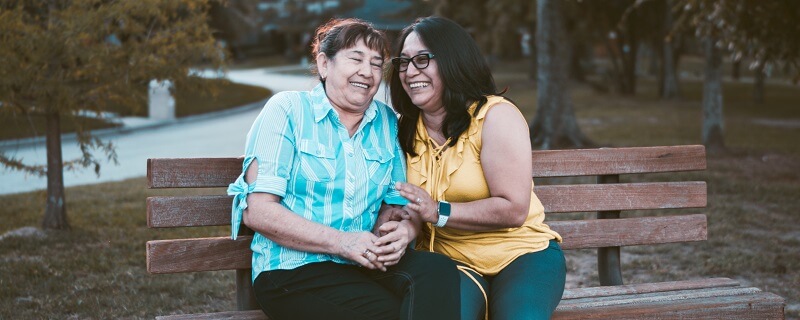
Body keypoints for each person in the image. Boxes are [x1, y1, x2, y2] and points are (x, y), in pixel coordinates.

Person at [227, 18, 460, 320]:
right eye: (356, 59)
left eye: (377, 64)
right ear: (324, 64)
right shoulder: (287, 110)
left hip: (361, 263)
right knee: (390, 313)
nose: (367, 72)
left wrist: (399, 230)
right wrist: (343, 242)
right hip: (292, 270)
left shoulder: (386, 121)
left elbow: (396, 202)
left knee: (436, 270)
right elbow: (258, 211)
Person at [388, 16, 567, 320]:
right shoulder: (404, 129)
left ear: (453, 61)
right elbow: (408, 205)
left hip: (522, 255)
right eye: (403, 62)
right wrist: (402, 225)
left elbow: (513, 209)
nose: (409, 71)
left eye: (422, 59)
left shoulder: (495, 116)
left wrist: (438, 211)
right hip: (449, 261)